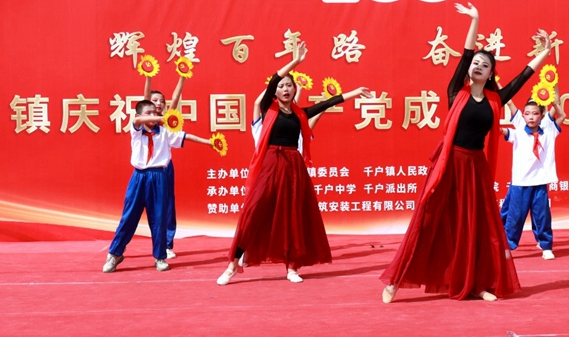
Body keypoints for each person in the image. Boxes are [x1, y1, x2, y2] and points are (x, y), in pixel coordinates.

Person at [380, 3, 553, 302]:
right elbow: (465, 55)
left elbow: (523, 77)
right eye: (476, 63)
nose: (478, 66)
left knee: (475, 227)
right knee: (428, 221)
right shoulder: (455, 92)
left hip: (475, 167)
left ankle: (477, 283)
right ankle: (396, 281)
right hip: (448, 164)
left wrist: (545, 53)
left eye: (485, 65)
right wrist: (476, 20)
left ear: (491, 73)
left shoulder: (495, 99)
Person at [217, 42, 372, 285]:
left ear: (295, 88)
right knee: (253, 212)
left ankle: (292, 267)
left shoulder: (300, 114)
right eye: (281, 86)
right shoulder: (268, 109)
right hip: (271, 163)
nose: (285, 89)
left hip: (293, 167)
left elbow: (327, 104)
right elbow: (272, 81)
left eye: (289, 85)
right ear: (275, 92)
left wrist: (353, 93)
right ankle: (233, 265)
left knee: (293, 216)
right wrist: (296, 62)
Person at [103, 100, 213, 273]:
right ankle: (115, 254)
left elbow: (186, 136)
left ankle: (160, 257)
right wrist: (161, 118)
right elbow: (137, 120)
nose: (153, 115)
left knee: (159, 219)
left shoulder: (165, 132)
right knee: (129, 217)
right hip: (139, 177)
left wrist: (208, 142)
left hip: (159, 177)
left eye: (155, 112)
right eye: (149, 113)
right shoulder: (137, 130)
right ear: (139, 115)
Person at [500, 90, 567, 260]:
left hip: (539, 182)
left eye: (535, 113)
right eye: (527, 113)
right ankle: (508, 246)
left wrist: (553, 90)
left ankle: (546, 246)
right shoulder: (517, 132)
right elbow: (506, 112)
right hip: (520, 182)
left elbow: (561, 114)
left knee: (542, 215)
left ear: (542, 115)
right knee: (515, 216)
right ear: (523, 115)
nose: (531, 117)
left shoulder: (549, 130)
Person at [144, 75, 185, 260]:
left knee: (167, 206)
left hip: (165, 169)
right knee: (141, 207)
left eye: (162, 101)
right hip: (145, 171)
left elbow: (176, 98)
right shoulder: (143, 120)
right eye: (155, 100)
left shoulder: (168, 119)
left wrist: (183, 76)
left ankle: (167, 245)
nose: (159, 104)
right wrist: (148, 77)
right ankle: (121, 245)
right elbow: (146, 97)